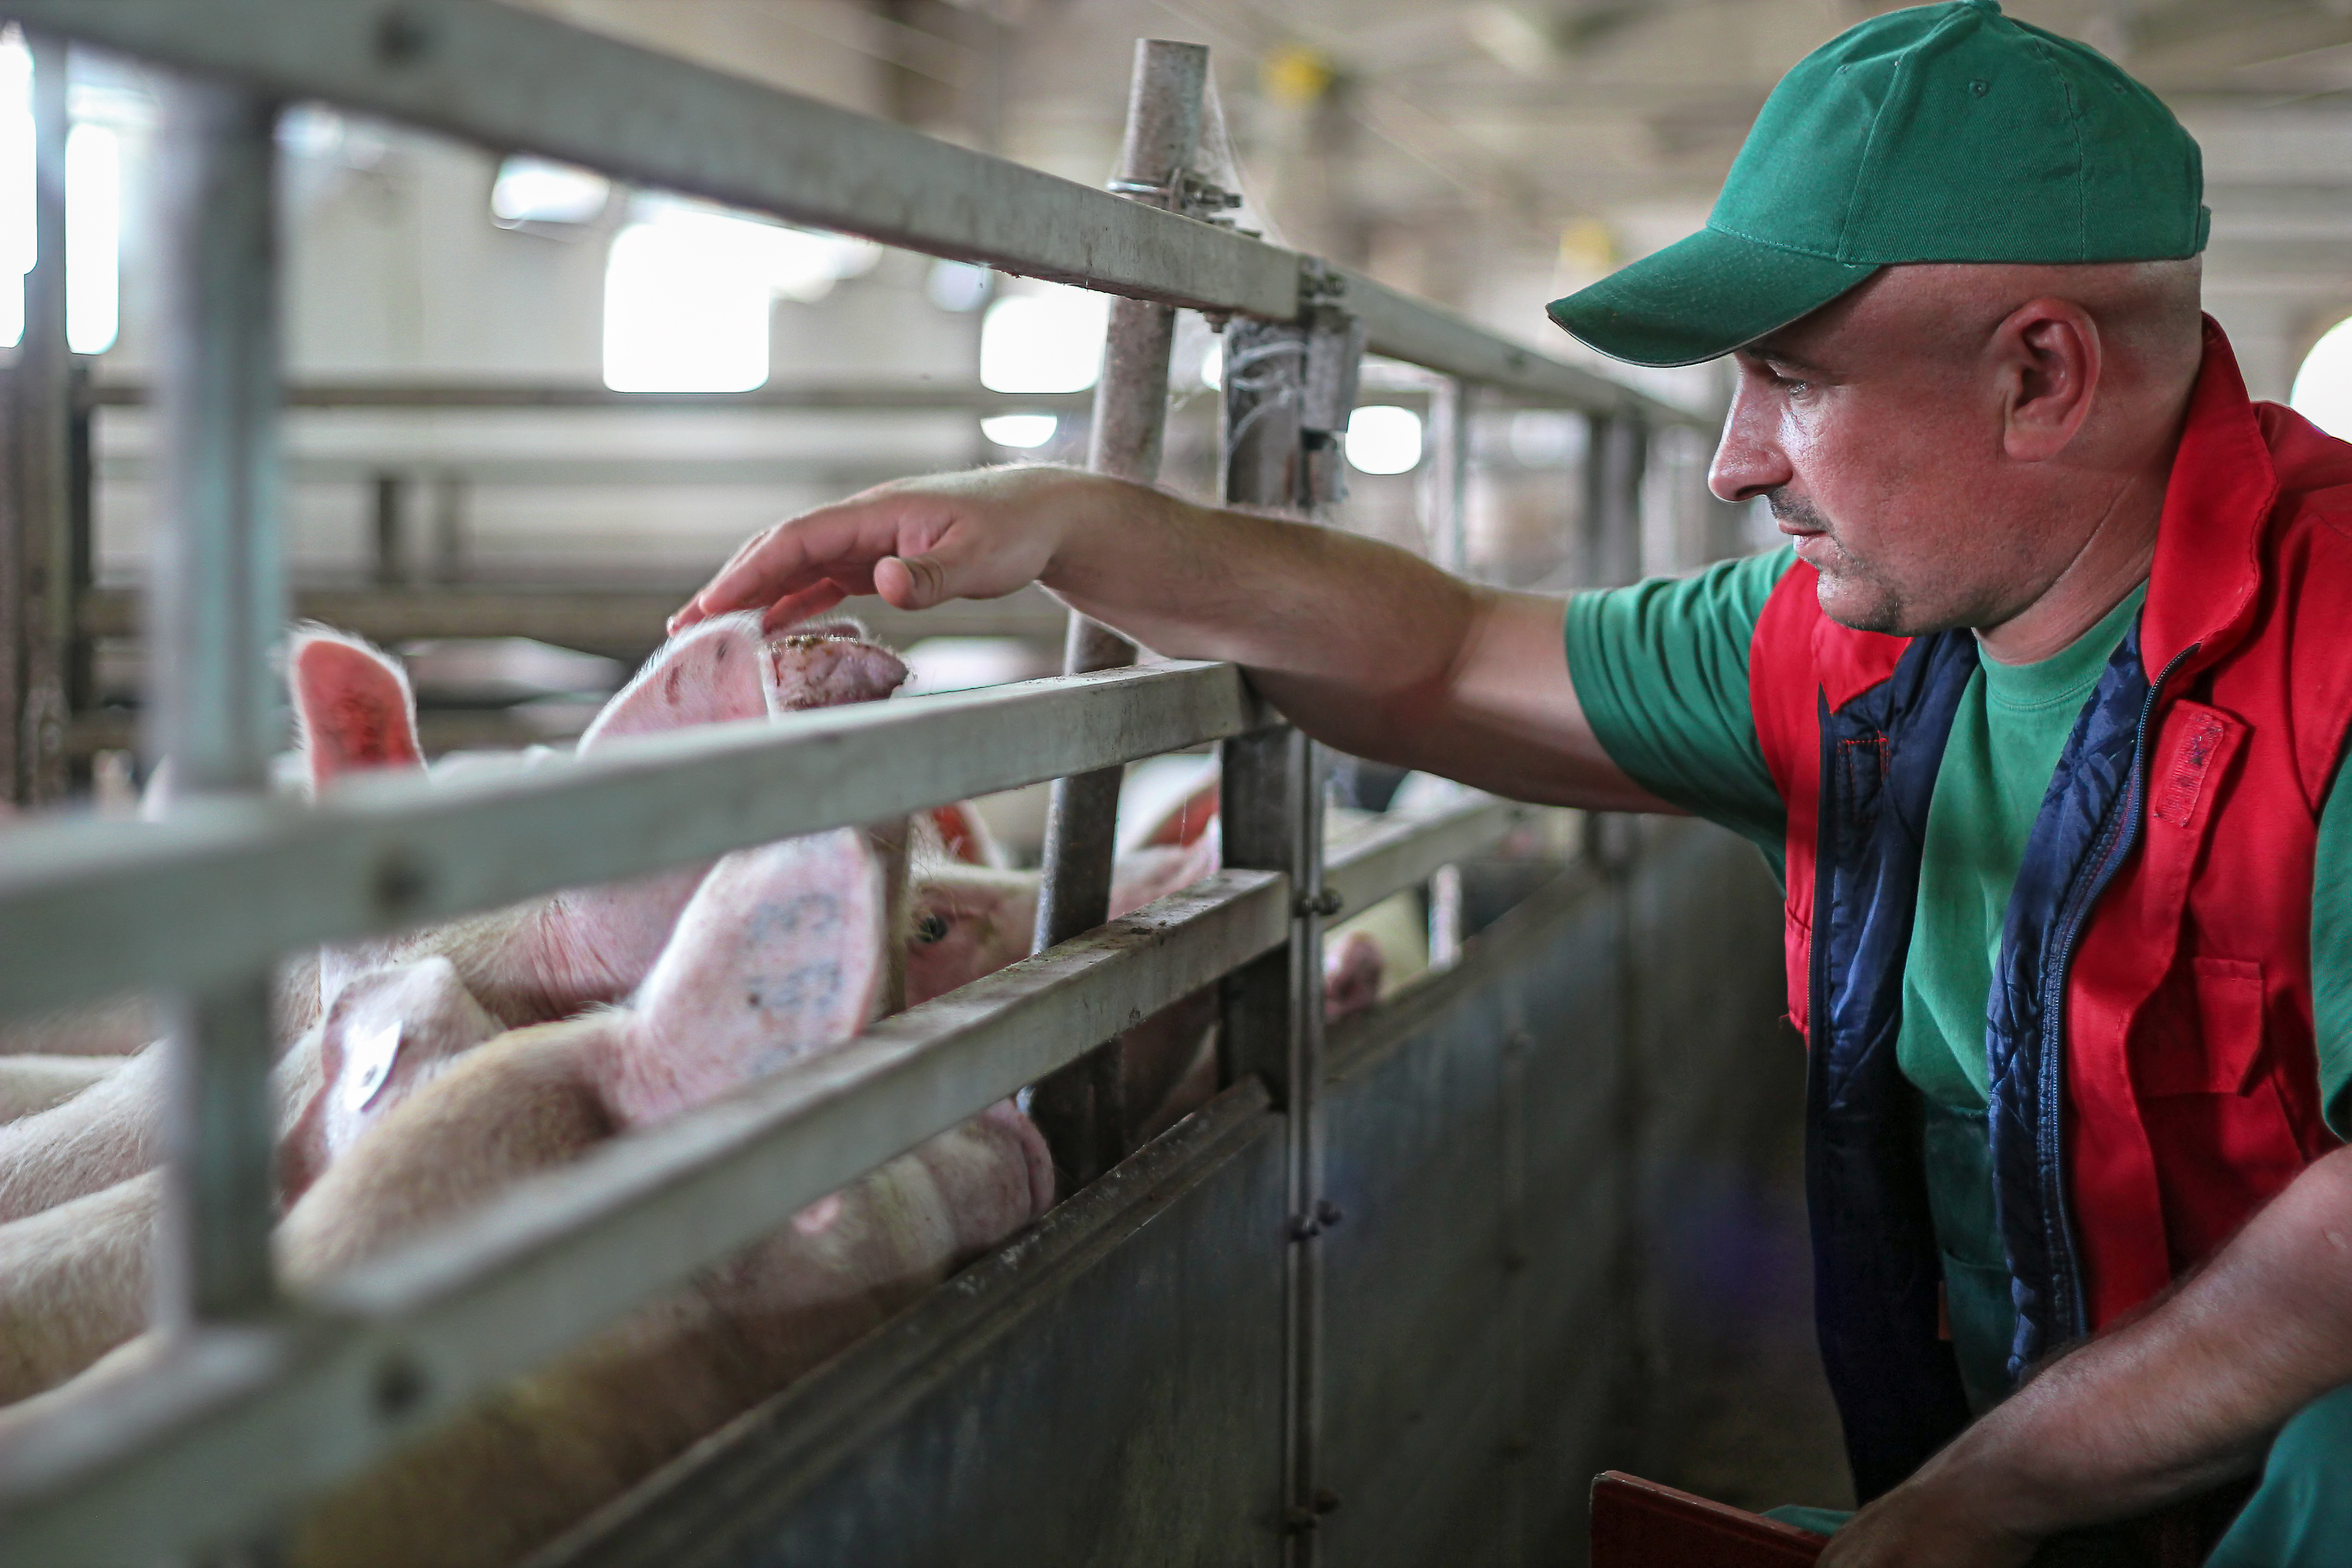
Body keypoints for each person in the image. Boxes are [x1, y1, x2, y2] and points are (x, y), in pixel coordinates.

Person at [674, 2, 2352, 1559]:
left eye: (1793, 376)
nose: (1733, 458)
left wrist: (1993, 1488)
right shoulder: (1852, 657)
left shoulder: (2336, 647)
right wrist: (1067, 522)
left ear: (2039, 375)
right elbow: (1440, 653)